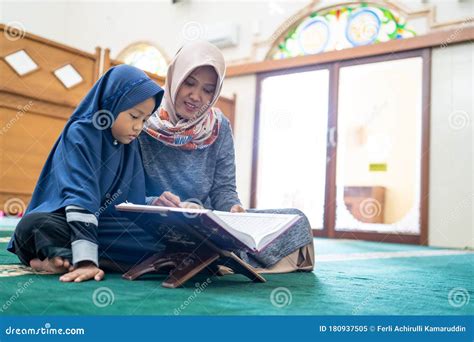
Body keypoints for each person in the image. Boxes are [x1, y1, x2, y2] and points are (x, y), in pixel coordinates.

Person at [139, 41, 314, 273]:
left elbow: (223, 188)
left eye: (207, 90)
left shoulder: (218, 126)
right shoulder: (143, 120)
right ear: (174, 78)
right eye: (189, 83)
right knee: (126, 230)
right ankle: (222, 259)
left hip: (208, 221)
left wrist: (233, 209)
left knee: (295, 219)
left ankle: (212, 258)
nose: (196, 96)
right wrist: (154, 202)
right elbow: (129, 191)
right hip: (161, 220)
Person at [8, 65, 165, 282]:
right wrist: (86, 262)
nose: (138, 127)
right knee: (33, 225)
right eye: (134, 116)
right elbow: (80, 198)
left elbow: (130, 203)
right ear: (112, 104)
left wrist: (156, 203)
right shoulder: (80, 134)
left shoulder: (129, 143)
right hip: (69, 219)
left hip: (103, 225)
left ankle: (60, 256)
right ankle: (83, 256)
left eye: (145, 120)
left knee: (159, 239)